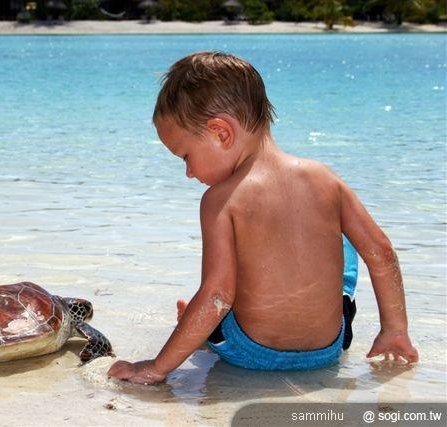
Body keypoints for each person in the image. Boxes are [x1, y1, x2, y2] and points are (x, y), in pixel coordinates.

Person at [107, 52, 418, 385]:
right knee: (346, 241)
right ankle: (202, 327)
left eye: (186, 156)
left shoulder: (220, 201)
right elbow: (382, 253)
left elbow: (218, 295)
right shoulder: (326, 179)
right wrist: (394, 331)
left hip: (249, 352)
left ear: (221, 132)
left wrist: (157, 367)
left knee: (220, 288)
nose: (188, 172)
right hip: (328, 349)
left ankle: (199, 332)